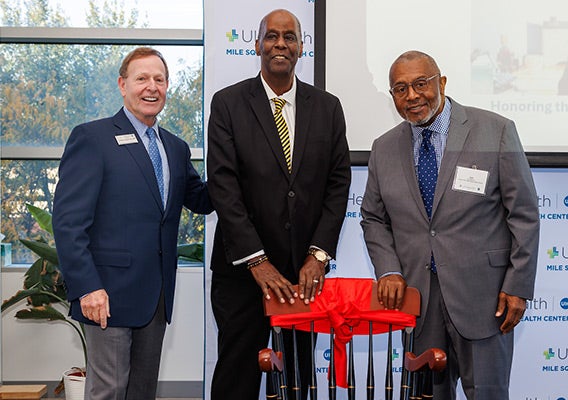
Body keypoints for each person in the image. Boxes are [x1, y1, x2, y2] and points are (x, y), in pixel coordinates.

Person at [360, 50, 539, 400]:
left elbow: (524, 213)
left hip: (486, 302)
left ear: (441, 83)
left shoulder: (495, 130)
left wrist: (518, 285)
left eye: (420, 84)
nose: (412, 96)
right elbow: (373, 218)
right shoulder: (383, 149)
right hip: (420, 304)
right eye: (400, 88)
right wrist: (388, 271)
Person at [53, 47, 213, 400]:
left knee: (142, 392)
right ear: (123, 85)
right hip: (105, 294)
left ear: (168, 86)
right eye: (142, 78)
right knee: (108, 391)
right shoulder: (92, 138)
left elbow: (201, 200)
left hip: (155, 296)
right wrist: (87, 287)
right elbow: (67, 222)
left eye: (159, 79)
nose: (151, 87)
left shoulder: (175, 147)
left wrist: (237, 162)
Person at [207, 9, 351, 400]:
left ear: (302, 47)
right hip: (241, 276)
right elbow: (223, 186)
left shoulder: (328, 107)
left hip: (301, 277)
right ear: (257, 45)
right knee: (237, 374)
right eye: (272, 36)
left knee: (296, 379)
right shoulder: (228, 104)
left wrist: (318, 256)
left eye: (290, 37)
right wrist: (257, 260)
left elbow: (338, 185)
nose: (280, 44)